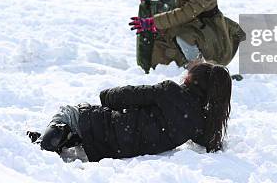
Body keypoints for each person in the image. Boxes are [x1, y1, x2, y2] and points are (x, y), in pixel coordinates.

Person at [27, 61, 232, 162]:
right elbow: (210, 142)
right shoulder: (200, 125)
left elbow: (127, 95)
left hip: (107, 130)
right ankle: (65, 139)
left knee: (69, 113)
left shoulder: (169, 91)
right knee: (84, 128)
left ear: (189, 80)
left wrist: (106, 95)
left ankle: (45, 144)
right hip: (116, 150)